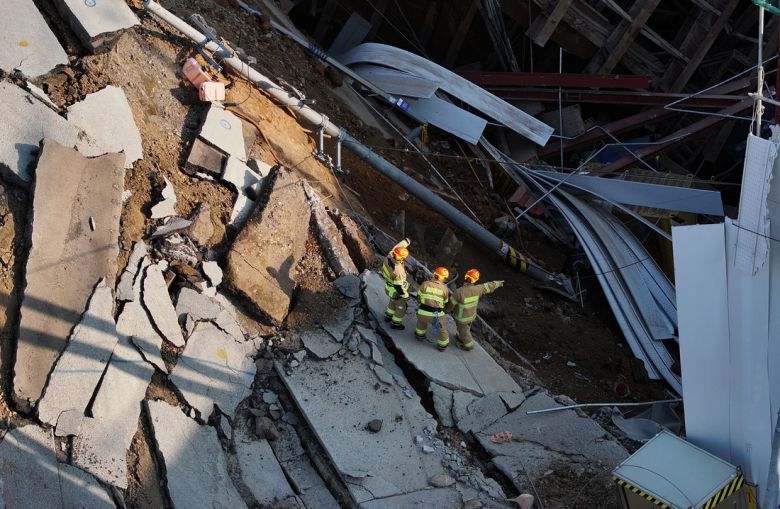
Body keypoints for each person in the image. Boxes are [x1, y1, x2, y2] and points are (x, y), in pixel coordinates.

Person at [446, 268, 503, 351]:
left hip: (461, 318)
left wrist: (445, 311)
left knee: (464, 331)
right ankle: (460, 337)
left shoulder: (459, 292)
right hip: (471, 316)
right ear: (475, 280)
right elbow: (489, 285)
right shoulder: (478, 289)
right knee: (465, 329)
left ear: (466, 277)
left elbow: (450, 305)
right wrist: (499, 283)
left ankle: (468, 345)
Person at [415, 266, 451, 352]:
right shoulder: (445, 289)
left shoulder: (425, 284)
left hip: (423, 312)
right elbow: (445, 302)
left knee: (421, 322)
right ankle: (442, 346)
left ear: (434, 274)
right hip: (436, 315)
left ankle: (419, 335)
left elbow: (418, 297)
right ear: (443, 278)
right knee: (442, 329)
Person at [382, 238, 411, 330]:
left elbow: (397, 247)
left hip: (388, 287)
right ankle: (395, 323)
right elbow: (398, 286)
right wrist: (405, 295)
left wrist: (406, 242)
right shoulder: (398, 272)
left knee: (392, 301)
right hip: (395, 291)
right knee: (401, 307)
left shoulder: (389, 256)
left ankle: (388, 316)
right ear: (402, 258)